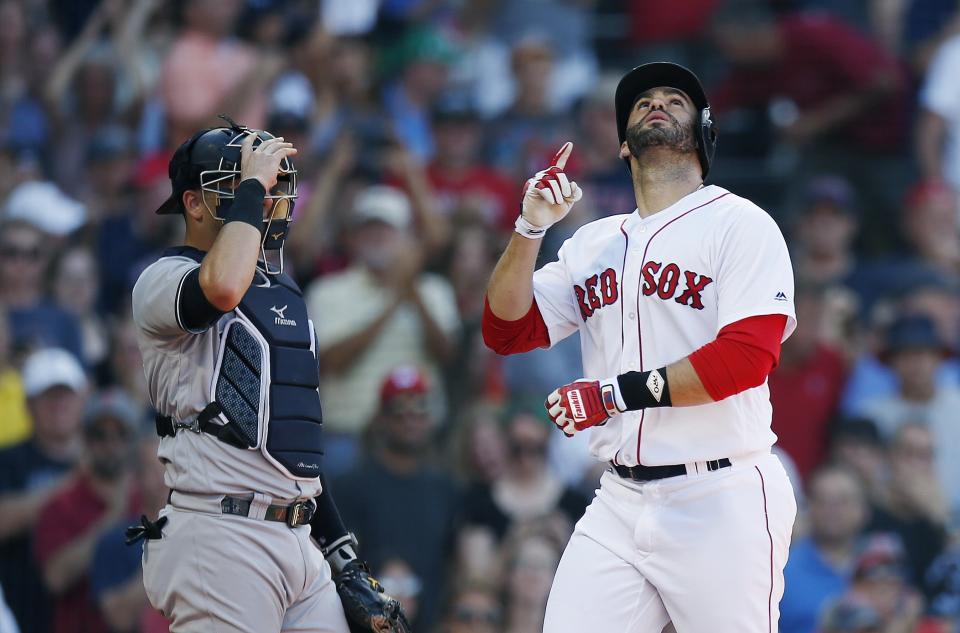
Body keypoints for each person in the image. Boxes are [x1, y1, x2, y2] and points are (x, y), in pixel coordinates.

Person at [482, 62, 798, 632]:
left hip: (720, 494)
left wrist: (611, 396)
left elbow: (747, 359)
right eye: (642, 101)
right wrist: (529, 229)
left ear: (703, 134)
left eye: (674, 99)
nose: (656, 103)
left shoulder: (741, 225)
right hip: (620, 498)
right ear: (624, 146)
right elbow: (507, 329)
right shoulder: (593, 242)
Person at [129, 118, 408, 633]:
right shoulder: (161, 278)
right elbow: (220, 289)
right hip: (219, 532)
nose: (268, 200)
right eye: (245, 188)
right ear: (194, 203)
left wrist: (340, 548)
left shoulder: (285, 293)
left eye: (276, 188)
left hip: (297, 540)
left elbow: (290, 444)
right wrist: (252, 187)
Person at [333, 366, 461, 631]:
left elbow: (452, 563)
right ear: (382, 418)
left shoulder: (446, 488)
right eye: (399, 411)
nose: (410, 420)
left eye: (419, 410)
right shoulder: (351, 485)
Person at [34, 388, 141, 633]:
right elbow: (55, 578)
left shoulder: (150, 494)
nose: (110, 444)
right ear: (85, 440)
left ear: (132, 440)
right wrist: (112, 518)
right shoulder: (61, 503)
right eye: (99, 435)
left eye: (121, 434)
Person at [0, 347, 87, 633]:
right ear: (28, 405)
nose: (58, 405)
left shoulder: (106, 452)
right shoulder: (9, 459)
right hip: (23, 609)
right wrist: (72, 484)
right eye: (48, 398)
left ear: (82, 398)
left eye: (65, 395)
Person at [781, 466, 869, 633]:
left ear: (864, 509)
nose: (832, 509)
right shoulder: (783, 569)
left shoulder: (884, 563)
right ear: (808, 507)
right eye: (823, 500)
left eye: (843, 500)